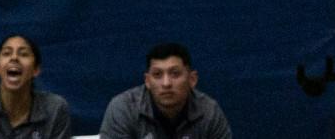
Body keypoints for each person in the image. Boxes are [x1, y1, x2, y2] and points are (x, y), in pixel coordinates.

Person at [98, 43, 234, 139]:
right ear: (147, 81)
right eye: (157, 74)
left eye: (175, 74)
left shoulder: (209, 113)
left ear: (192, 79)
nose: (166, 83)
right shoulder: (123, 109)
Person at [0, 35, 72, 139]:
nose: (14, 58)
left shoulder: (55, 108)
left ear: (36, 70)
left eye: (23, 54)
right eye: (7, 53)